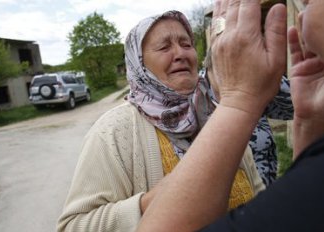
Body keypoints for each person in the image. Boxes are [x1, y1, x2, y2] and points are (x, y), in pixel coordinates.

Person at [137, 0, 324, 231]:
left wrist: (238, 99)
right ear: (138, 63)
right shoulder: (120, 127)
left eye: (311, 2)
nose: (303, 21)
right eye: (163, 48)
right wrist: (312, 125)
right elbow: (310, 207)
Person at [56, 10, 265, 232]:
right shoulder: (114, 130)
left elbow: (259, 195)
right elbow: (73, 226)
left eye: (186, 44)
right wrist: (151, 202)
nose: (180, 54)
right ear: (139, 64)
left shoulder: (217, 115)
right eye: (165, 47)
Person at [203, 48, 293, 186]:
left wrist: (267, 73)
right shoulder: (194, 100)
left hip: (266, 193)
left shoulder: (250, 89)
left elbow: (294, 107)